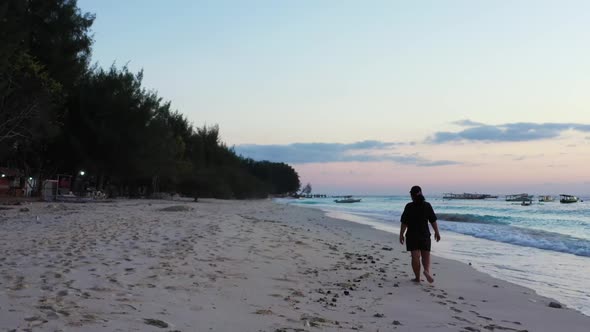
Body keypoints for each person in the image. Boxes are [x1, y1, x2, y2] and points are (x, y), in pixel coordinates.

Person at [399, 185, 441, 283]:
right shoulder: (427, 205)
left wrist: (401, 234)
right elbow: (433, 220)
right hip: (425, 234)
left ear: (412, 195)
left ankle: (417, 278)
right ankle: (426, 271)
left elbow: (404, 222)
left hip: (412, 235)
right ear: (421, 193)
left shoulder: (409, 206)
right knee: (426, 255)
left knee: (415, 256)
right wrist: (437, 232)